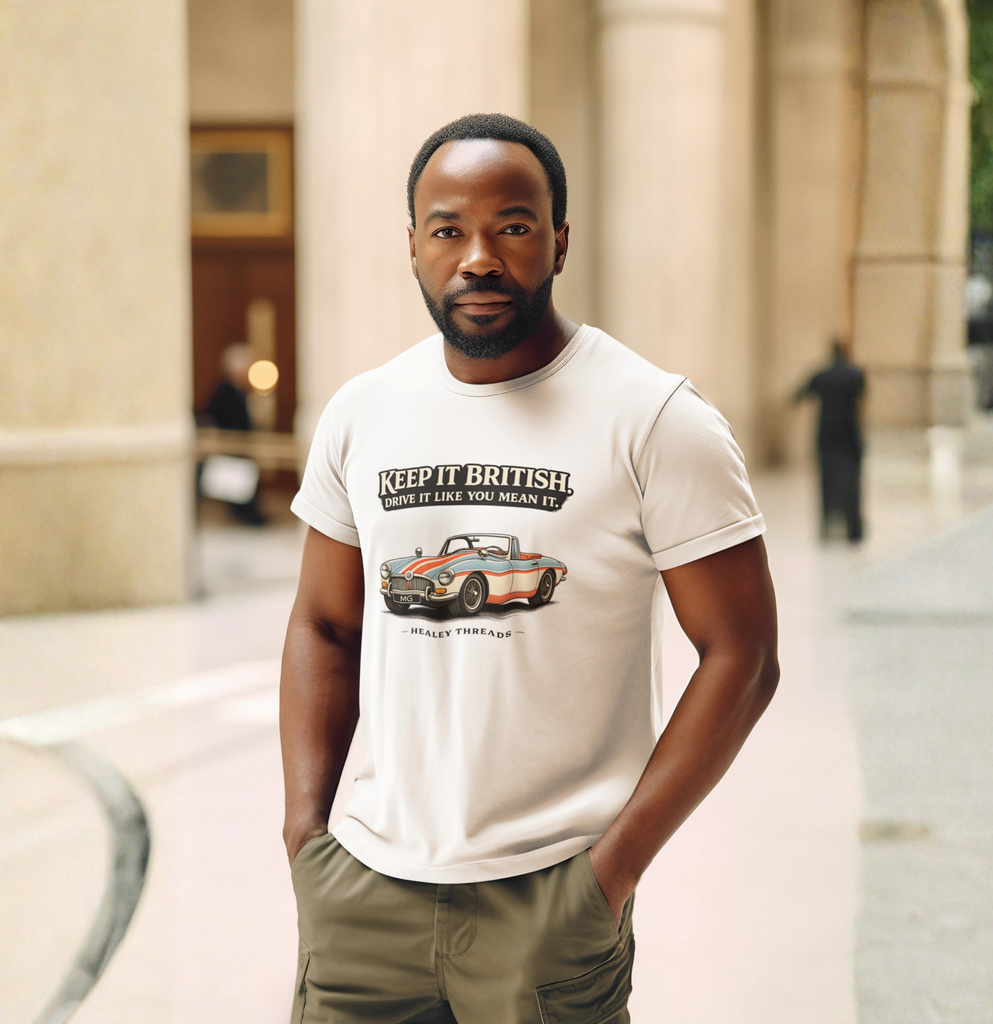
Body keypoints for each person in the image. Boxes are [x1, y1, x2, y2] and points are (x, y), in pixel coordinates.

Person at [281, 113, 779, 1024]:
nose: (478, 257)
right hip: (362, 895)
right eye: (448, 229)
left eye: (511, 226)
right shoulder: (363, 412)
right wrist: (305, 834)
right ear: (413, 246)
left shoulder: (655, 417)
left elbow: (742, 656)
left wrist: (611, 871)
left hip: (549, 899)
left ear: (557, 241)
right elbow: (326, 623)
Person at [795, 339, 866, 543]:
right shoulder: (855, 374)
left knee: (828, 480)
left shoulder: (822, 375)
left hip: (827, 434)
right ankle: (853, 528)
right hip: (850, 433)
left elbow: (799, 395)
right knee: (852, 480)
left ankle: (828, 525)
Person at [202, 343, 266, 525]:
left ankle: (248, 513)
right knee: (236, 484)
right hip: (233, 445)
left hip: (241, 445)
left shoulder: (238, 390)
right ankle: (244, 514)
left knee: (244, 482)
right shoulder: (225, 391)